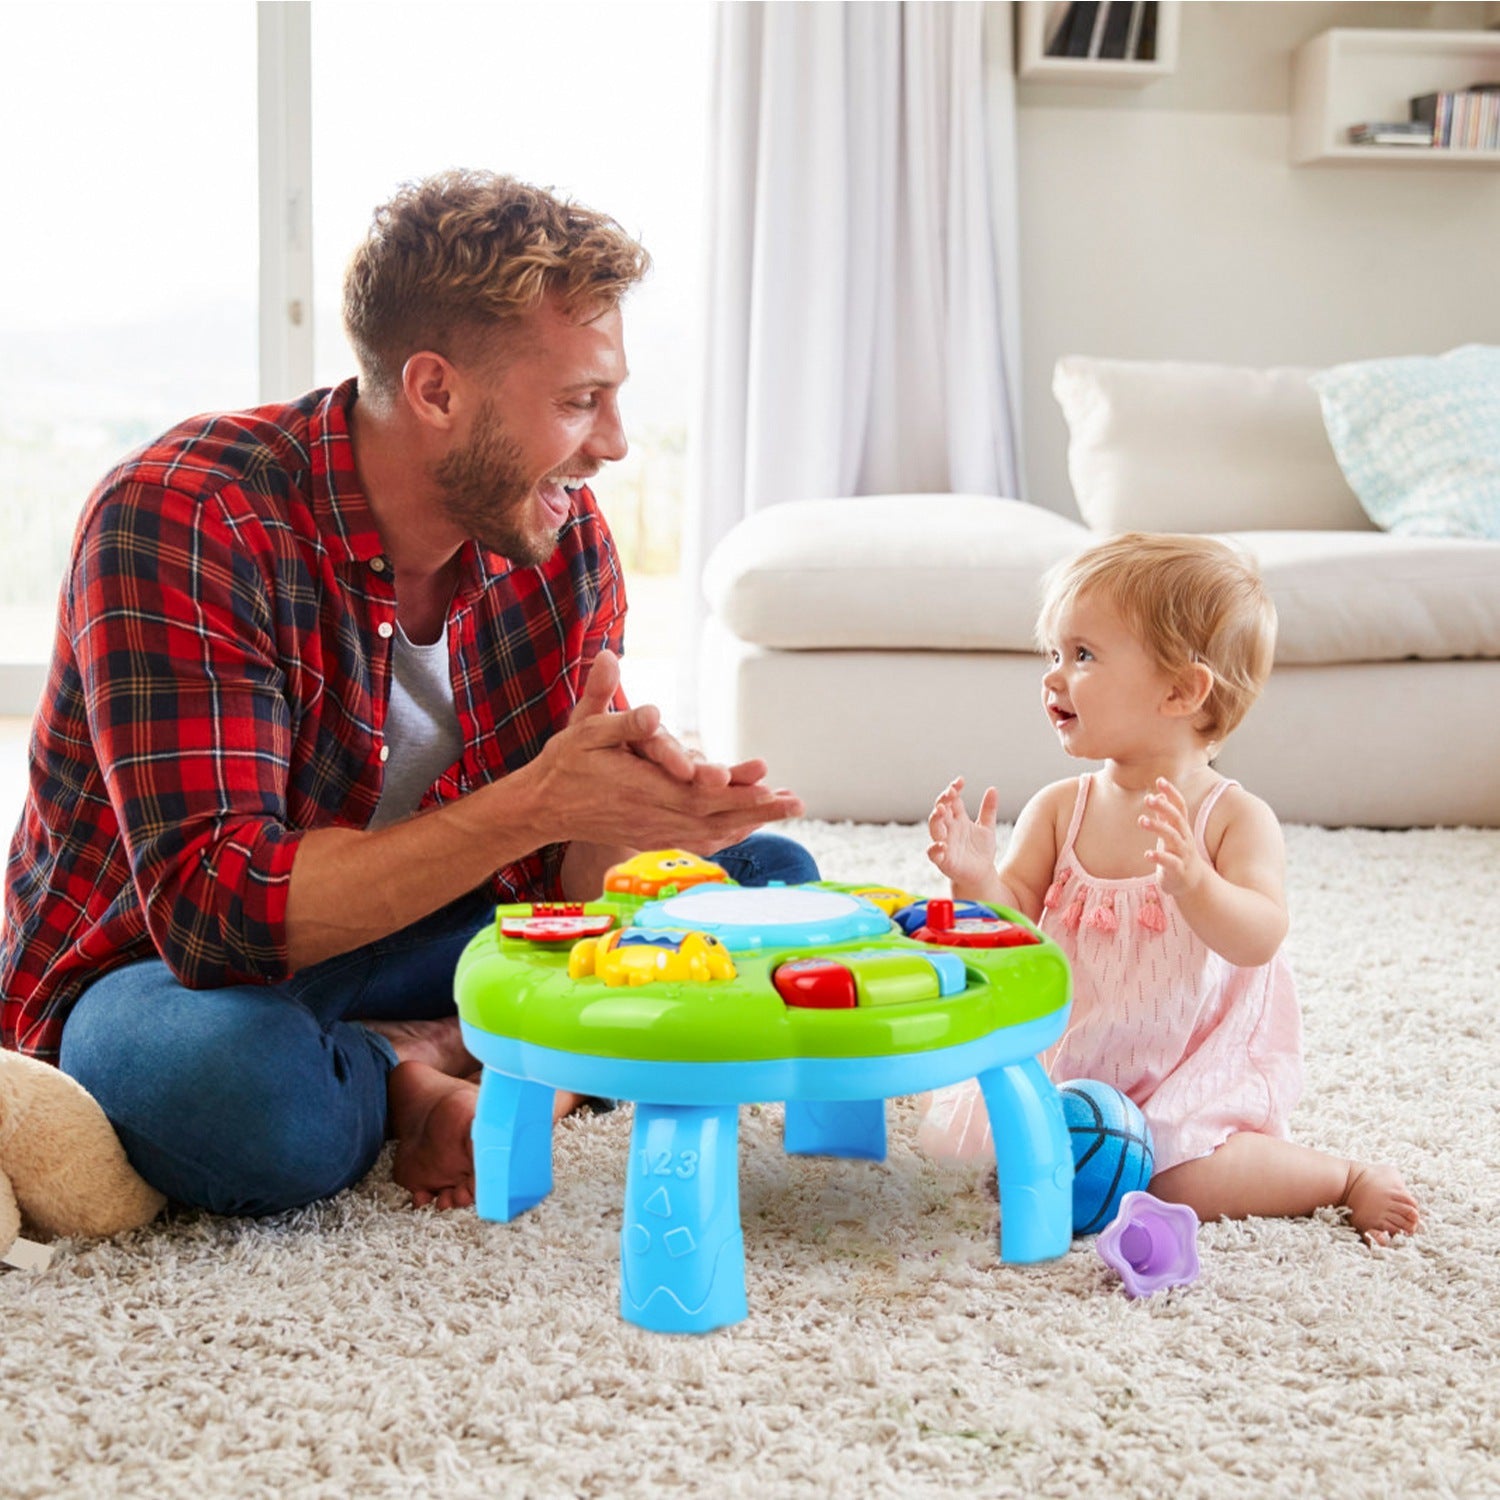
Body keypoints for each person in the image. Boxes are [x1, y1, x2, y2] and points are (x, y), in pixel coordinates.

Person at [0, 169, 814, 1218]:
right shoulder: (185, 516)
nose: (613, 442)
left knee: (772, 888)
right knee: (229, 1089)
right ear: (436, 391)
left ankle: (484, 1067)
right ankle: (444, 1068)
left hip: (437, 938)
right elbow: (215, 917)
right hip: (179, 975)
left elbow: (561, 888)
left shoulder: (557, 536)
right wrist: (542, 803)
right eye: (578, 402)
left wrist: (632, 825)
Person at [919, 533, 1421, 1245]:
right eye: (1054, 654)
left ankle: (1340, 1176)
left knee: (1173, 1176)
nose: (1055, 676)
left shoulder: (1233, 819)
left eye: (1084, 655)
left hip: (1185, 1065)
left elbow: (1260, 935)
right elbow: (1014, 931)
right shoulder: (1060, 808)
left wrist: (1195, 884)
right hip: (1076, 1057)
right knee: (996, 1147)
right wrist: (976, 878)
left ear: (1182, 691)